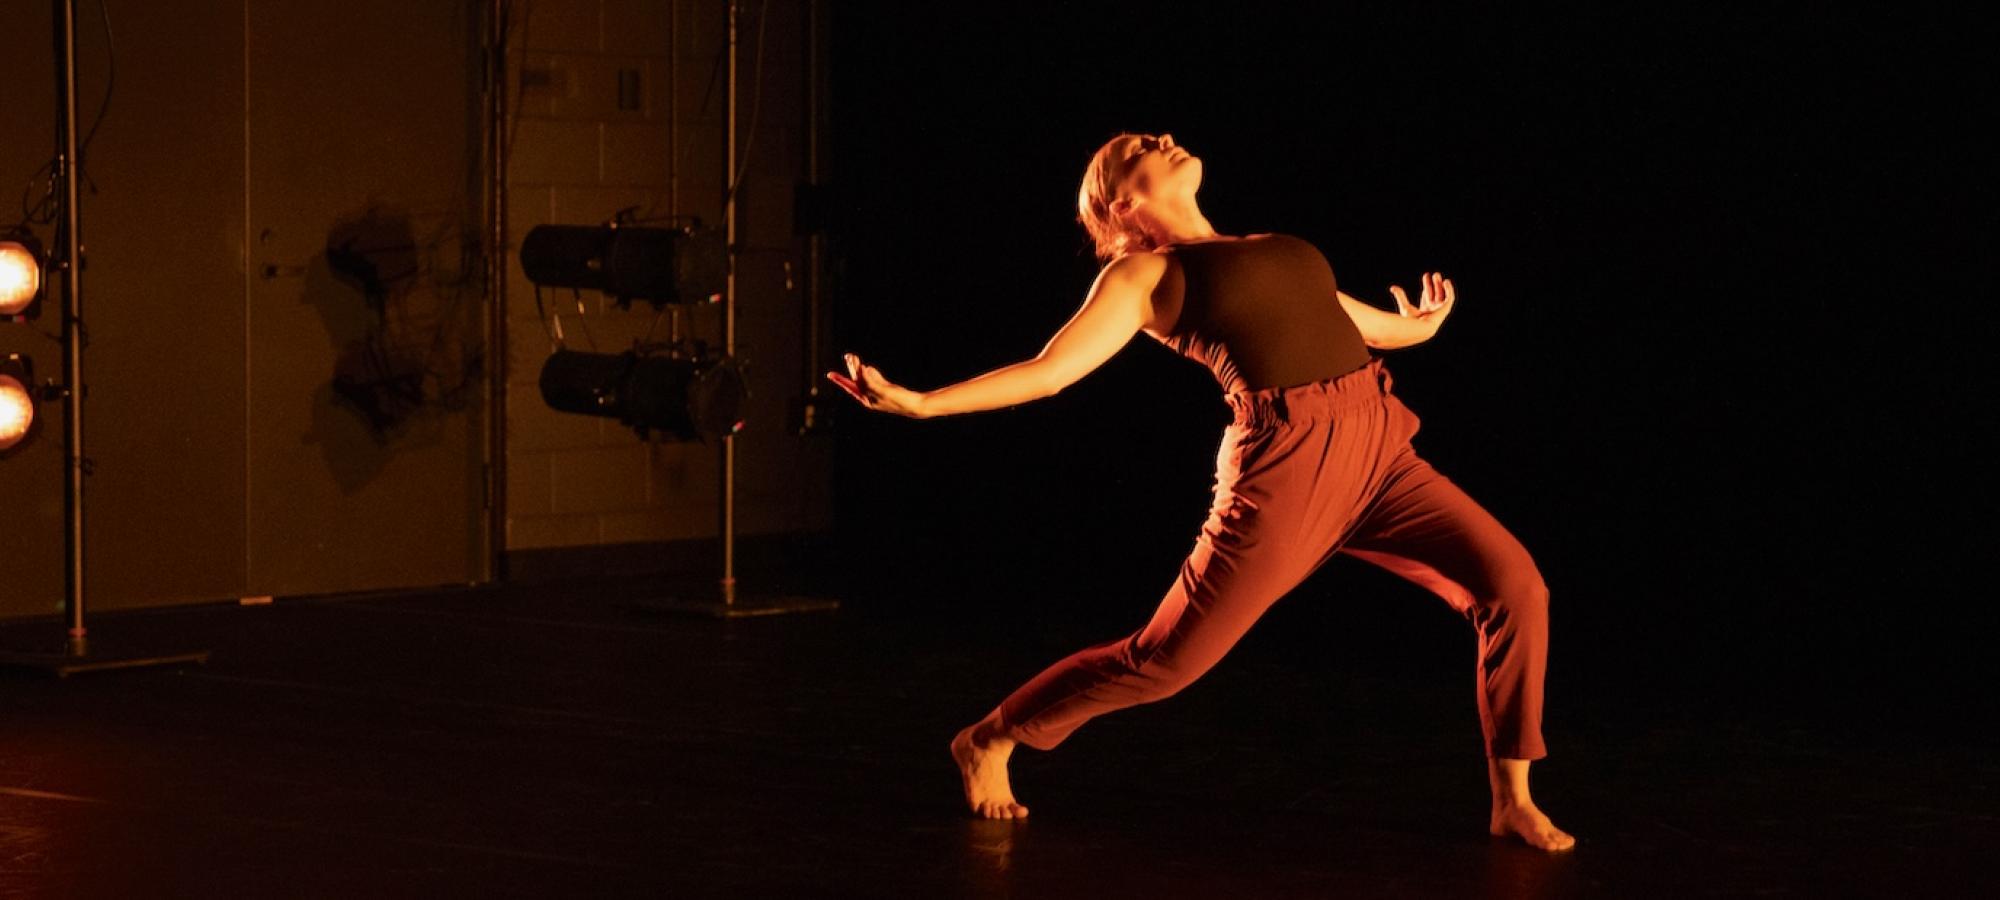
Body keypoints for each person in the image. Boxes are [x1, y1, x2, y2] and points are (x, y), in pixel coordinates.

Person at [826, 133, 1575, 851]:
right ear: (1120, 205)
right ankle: (990, 736)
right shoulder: (1144, 275)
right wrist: (923, 403)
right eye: (1138, 150)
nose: (1163, 137)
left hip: (1381, 451)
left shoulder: (1271, 247)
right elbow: (1051, 371)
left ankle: (1513, 799)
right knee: (1165, 662)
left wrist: (1421, 325)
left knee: (1516, 587)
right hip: (1287, 467)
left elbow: (1363, 324)